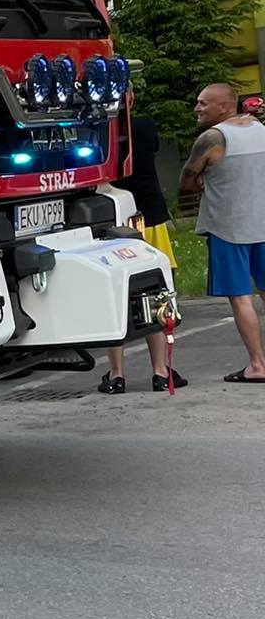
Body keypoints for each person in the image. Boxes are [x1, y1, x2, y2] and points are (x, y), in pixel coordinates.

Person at [178, 82, 265, 383]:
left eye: (203, 103)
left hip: (228, 228)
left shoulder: (213, 138)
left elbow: (186, 181)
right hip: (262, 223)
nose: (197, 108)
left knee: (241, 298)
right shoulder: (258, 128)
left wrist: (203, 180)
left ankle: (257, 365)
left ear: (224, 106)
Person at [100, 112, 186, 393]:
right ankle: (161, 372)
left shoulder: (95, 128)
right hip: (149, 216)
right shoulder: (144, 126)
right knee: (157, 294)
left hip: (112, 219)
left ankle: (116, 375)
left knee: (112, 299)